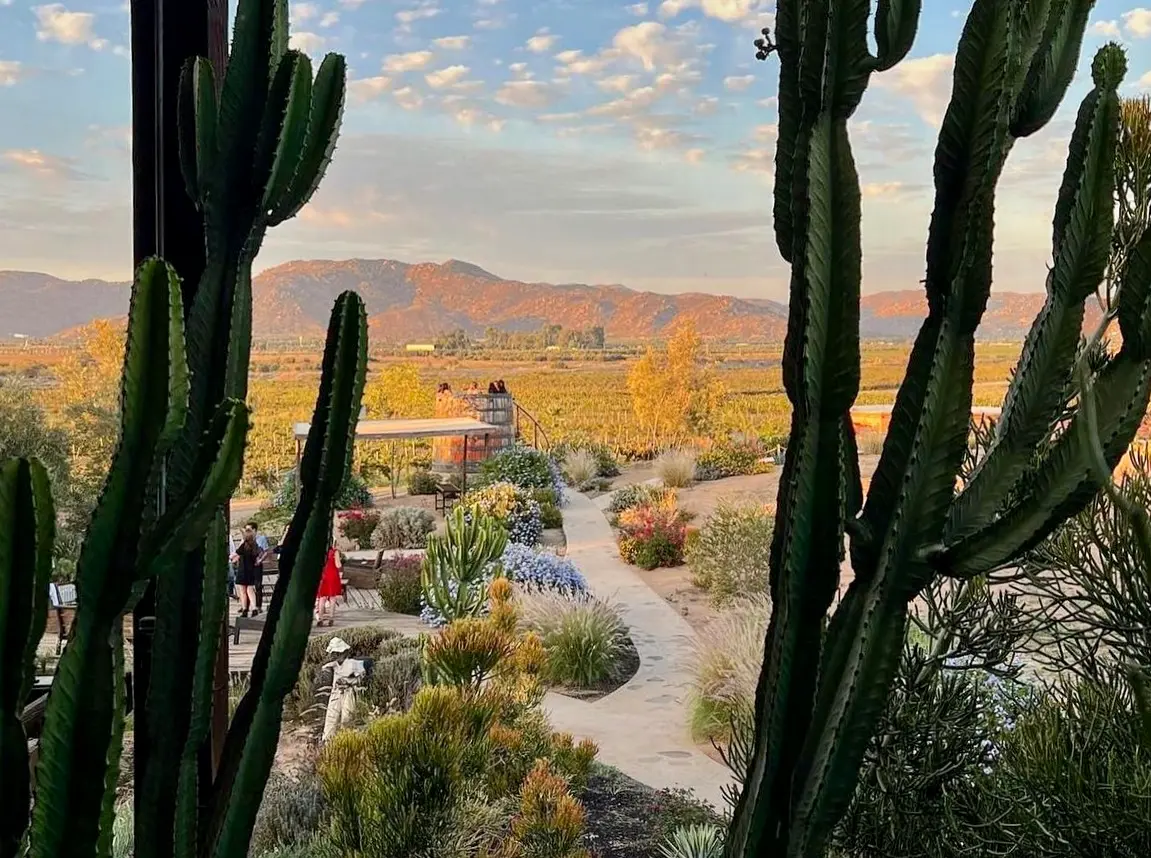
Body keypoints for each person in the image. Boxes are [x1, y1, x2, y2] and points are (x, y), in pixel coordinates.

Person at [320, 637, 365, 742]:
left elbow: (361, 679)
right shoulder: (334, 665)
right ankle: (327, 743)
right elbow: (327, 668)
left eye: (338, 653)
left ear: (344, 652)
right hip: (335, 693)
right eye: (334, 653)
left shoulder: (353, 663)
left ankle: (346, 743)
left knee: (347, 719)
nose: (336, 655)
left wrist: (348, 681)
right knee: (331, 718)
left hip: (348, 693)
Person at [230, 524, 269, 618]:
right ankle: (254, 608)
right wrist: (258, 561)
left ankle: (244, 609)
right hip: (251, 570)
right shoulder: (255, 545)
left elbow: (234, 555)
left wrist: (231, 557)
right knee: (250, 590)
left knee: (242, 591)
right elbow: (261, 553)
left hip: (243, 570)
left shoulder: (244, 546)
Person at [315, 544, 344, 627]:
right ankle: (331, 619)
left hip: (323, 577)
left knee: (322, 598)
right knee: (332, 598)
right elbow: (338, 565)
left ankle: (320, 619)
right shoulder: (335, 552)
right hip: (332, 576)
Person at [248, 521, 271, 612]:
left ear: (254, 530)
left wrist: (261, 560)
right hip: (248, 565)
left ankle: (258, 606)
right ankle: (249, 605)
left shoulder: (261, 539)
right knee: (248, 586)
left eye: (249, 529)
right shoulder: (246, 538)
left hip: (257, 564)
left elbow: (266, 551)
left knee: (258, 585)